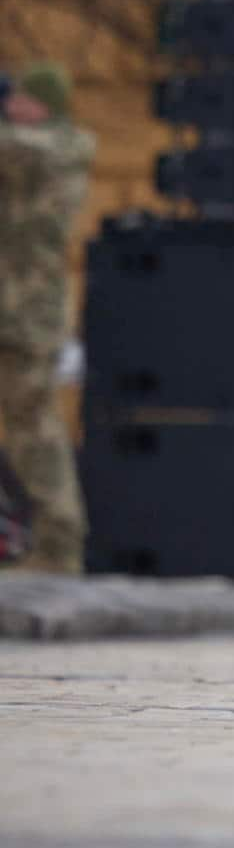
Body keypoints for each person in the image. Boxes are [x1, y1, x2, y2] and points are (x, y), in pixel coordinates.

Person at [0, 64, 95, 574]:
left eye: (22, 99)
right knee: (26, 430)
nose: (14, 105)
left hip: (27, 317)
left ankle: (58, 545)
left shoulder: (59, 147)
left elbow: (15, 148)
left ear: (47, 105)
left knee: (33, 431)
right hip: (12, 310)